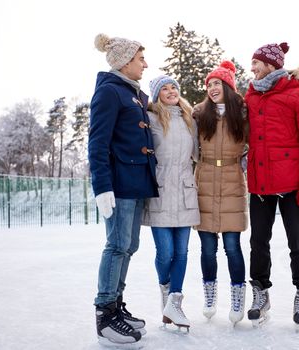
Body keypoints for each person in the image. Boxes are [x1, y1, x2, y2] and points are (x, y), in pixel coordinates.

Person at [244, 42, 299, 327]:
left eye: (256, 63)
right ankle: (260, 292)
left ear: (271, 64)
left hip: (293, 184)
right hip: (260, 182)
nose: (251, 68)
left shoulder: (298, 95)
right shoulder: (251, 97)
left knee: (298, 242)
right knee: (258, 242)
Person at [88, 33, 158, 345]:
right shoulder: (110, 92)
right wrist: (102, 187)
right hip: (117, 185)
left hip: (135, 183)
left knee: (129, 246)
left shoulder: (133, 93)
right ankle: (105, 316)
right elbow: (97, 143)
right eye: (140, 59)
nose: (145, 64)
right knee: (116, 246)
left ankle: (116, 307)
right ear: (125, 62)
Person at [141, 75, 200, 332]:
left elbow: (200, 153)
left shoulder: (190, 119)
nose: (170, 91)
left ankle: (175, 300)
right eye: (164, 88)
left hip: (186, 189)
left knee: (183, 252)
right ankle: (166, 291)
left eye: (173, 86)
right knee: (165, 252)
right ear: (157, 95)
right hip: (161, 189)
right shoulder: (151, 119)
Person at [193, 61, 249, 326]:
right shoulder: (199, 113)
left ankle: (238, 297)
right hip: (204, 181)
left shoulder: (243, 114)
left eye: (217, 83)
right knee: (206, 248)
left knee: (232, 246)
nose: (213, 88)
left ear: (228, 86)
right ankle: (209, 294)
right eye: (210, 84)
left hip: (231, 182)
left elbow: (254, 144)